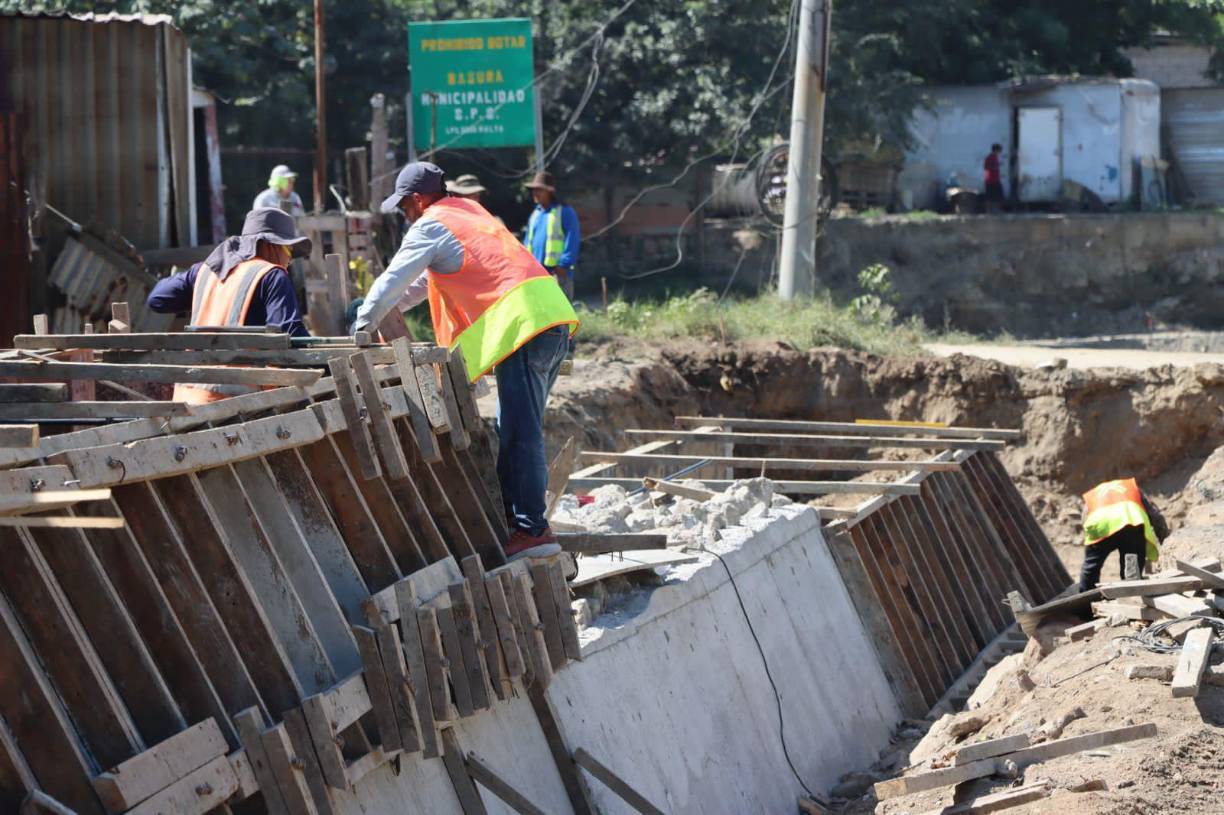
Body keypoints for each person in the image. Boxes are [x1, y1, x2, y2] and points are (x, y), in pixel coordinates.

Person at [353, 162, 579, 561]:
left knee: (520, 432)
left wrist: (361, 325)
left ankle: (532, 531)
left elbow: (392, 279)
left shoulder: (430, 224)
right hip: (546, 318)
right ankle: (524, 526)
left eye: (404, 206)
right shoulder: (469, 215)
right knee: (515, 428)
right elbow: (419, 284)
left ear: (418, 199)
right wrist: (382, 312)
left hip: (525, 327)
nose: (405, 214)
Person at [147, 207, 311, 404]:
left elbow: (157, 299)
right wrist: (326, 367)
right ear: (270, 245)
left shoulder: (206, 272)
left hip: (188, 400)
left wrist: (206, 285)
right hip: (238, 406)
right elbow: (291, 333)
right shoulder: (272, 275)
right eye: (288, 250)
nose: (289, 260)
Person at [1078, 477, 1169, 592]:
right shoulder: (1132, 488)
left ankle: (1085, 599)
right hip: (1129, 522)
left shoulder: (1095, 494)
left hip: (1100, 525)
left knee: (1091, 567)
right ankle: (1131, 591)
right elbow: (1156, 517)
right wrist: (1166, 542)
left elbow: (1085, 518)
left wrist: (1091, 547)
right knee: (1132, 565)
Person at [523, 171, 579, 300]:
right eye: (534, 190)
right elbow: (527, 243)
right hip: (536, 277)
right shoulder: (535, 214)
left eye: (539, 190)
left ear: (550, 191)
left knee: (560, 319)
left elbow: (573, 240)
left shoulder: (564, 211)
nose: (535, 193)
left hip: (557, 275)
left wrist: (563, 266)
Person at [983, 144, 1004, 212]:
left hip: (992, 180)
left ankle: (992, 210)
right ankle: (990, 210)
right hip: (992, 180)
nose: (999, 153)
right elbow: (987, 167)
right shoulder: (991, 157)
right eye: (999, 151)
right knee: (994, 196)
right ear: (996, 150)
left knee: (993, 196)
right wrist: (996, 166)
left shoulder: (993, 157)